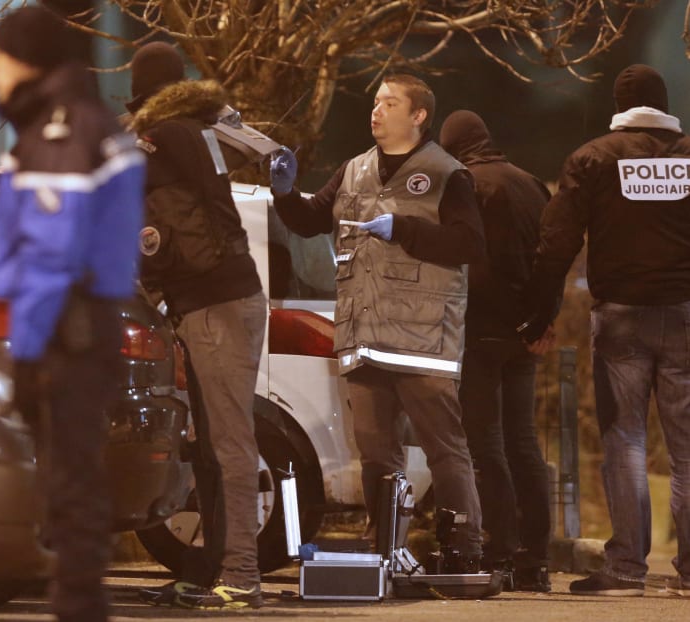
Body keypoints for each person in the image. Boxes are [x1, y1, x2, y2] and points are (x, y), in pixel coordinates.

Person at [270, 73, 485, 568]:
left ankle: (464, 549)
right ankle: (385, 550)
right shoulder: (354, 169)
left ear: (418, 115)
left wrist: (406, 229)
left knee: (444, 449)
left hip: (422, 338)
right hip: (364, 338)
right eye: (375, 102)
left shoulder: (446, 173)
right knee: (375, 454)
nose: (377, 110)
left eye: (390, 102)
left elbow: (468, 244)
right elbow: (307, 221)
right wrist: (285, 192)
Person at [0, 7, 144, 621]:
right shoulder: (75, 128)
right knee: (72, 485)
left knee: (71, 490)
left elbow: (50, 255)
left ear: (27, 60)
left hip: (61, 331)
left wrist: (25, 349)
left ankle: (79, 609)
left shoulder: (60, 133)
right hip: (75, 326)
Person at [521, 64, 690, 598]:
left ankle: (625, 570)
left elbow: (556, 243)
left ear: (619, 104)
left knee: (625, 442)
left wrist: (540, 312)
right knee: (687, 447)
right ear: (664, 104)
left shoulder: (593, 158)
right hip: (685, 313)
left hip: (620, 318)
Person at [124, 42, 267, 609]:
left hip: (215, 304)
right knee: (213, 444)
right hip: (221, 300)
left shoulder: (168, 136)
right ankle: (210, 568)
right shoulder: (196, 131)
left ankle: (243, 576)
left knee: (230, 444)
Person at [439, 110, 554, 591]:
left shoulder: (466, 185)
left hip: (480, 330)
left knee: (486, 447)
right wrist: (543, 319)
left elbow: (462, 257)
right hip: (524, 334)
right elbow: (553, 254)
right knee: (524, 444)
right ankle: (536, 559)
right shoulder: (532, 184)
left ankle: (501, 551)